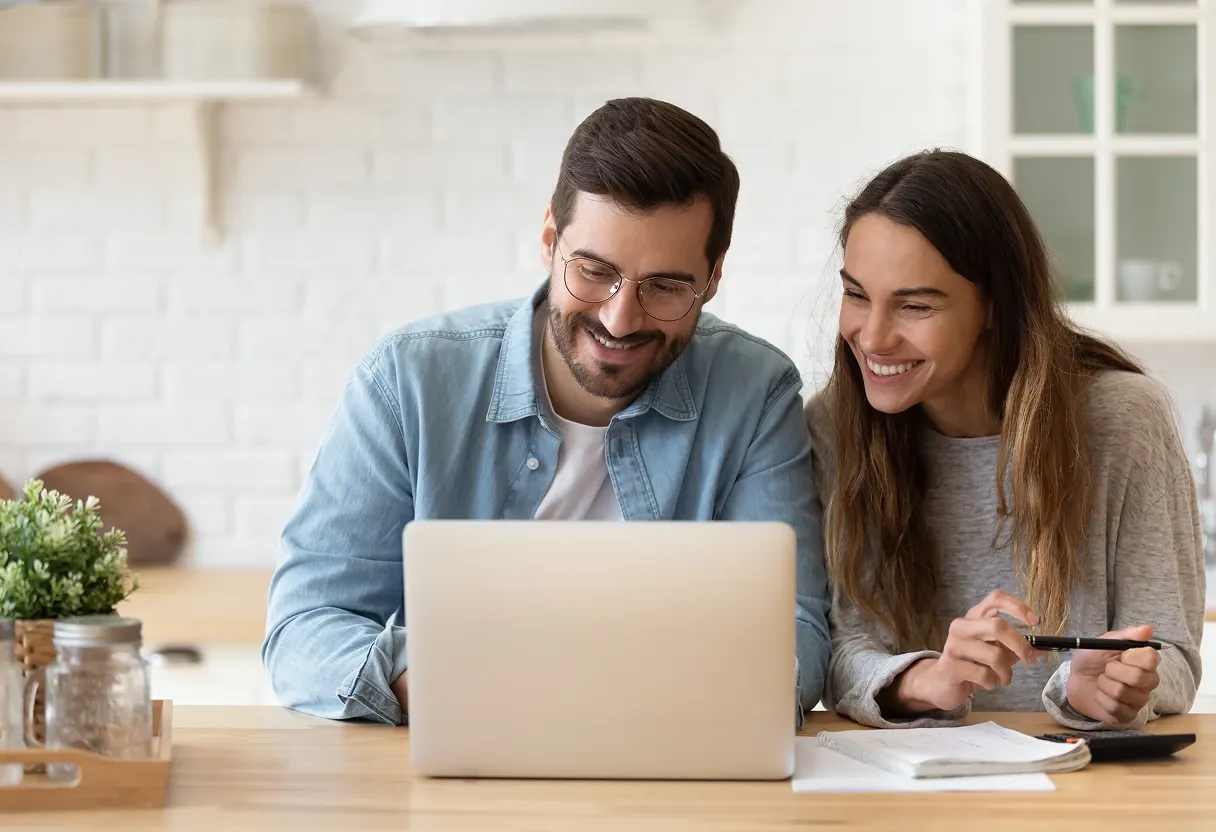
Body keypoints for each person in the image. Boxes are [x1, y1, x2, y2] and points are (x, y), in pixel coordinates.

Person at [262, 97, 832, 726]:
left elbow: (795, 633)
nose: (620, 318)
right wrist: (440, 683)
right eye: (593, 271)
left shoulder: (756, 394)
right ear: (548, 242)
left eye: (665, 287)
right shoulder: (407, 382)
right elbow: (303, 628)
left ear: (714, 276)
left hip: (667, 769)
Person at [805, 149, 1205, 730]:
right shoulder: (834, 424)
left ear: (995, 305)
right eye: (857, 295)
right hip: (908, 788)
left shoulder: (1123, 419)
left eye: (915, 305)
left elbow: (1171, 650)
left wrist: (1107, 687)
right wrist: (933, 679)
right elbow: (842, 650)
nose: (872, 336)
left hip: (1086, 792)